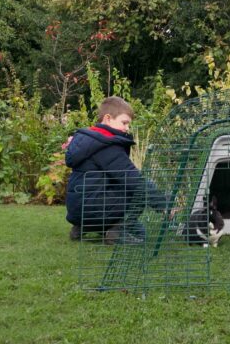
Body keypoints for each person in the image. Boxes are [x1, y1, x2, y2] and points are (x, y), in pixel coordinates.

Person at [64, 96, 165, 243]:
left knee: (141, 232)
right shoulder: (106, 145)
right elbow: (134, 180)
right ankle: (116, 232)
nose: (127, 128)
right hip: (93, 209)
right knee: (138, 191)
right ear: (108, 118)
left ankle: (81, 227)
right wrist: (163, 204)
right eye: (124, 123)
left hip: (77, 210)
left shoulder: (88, 139)